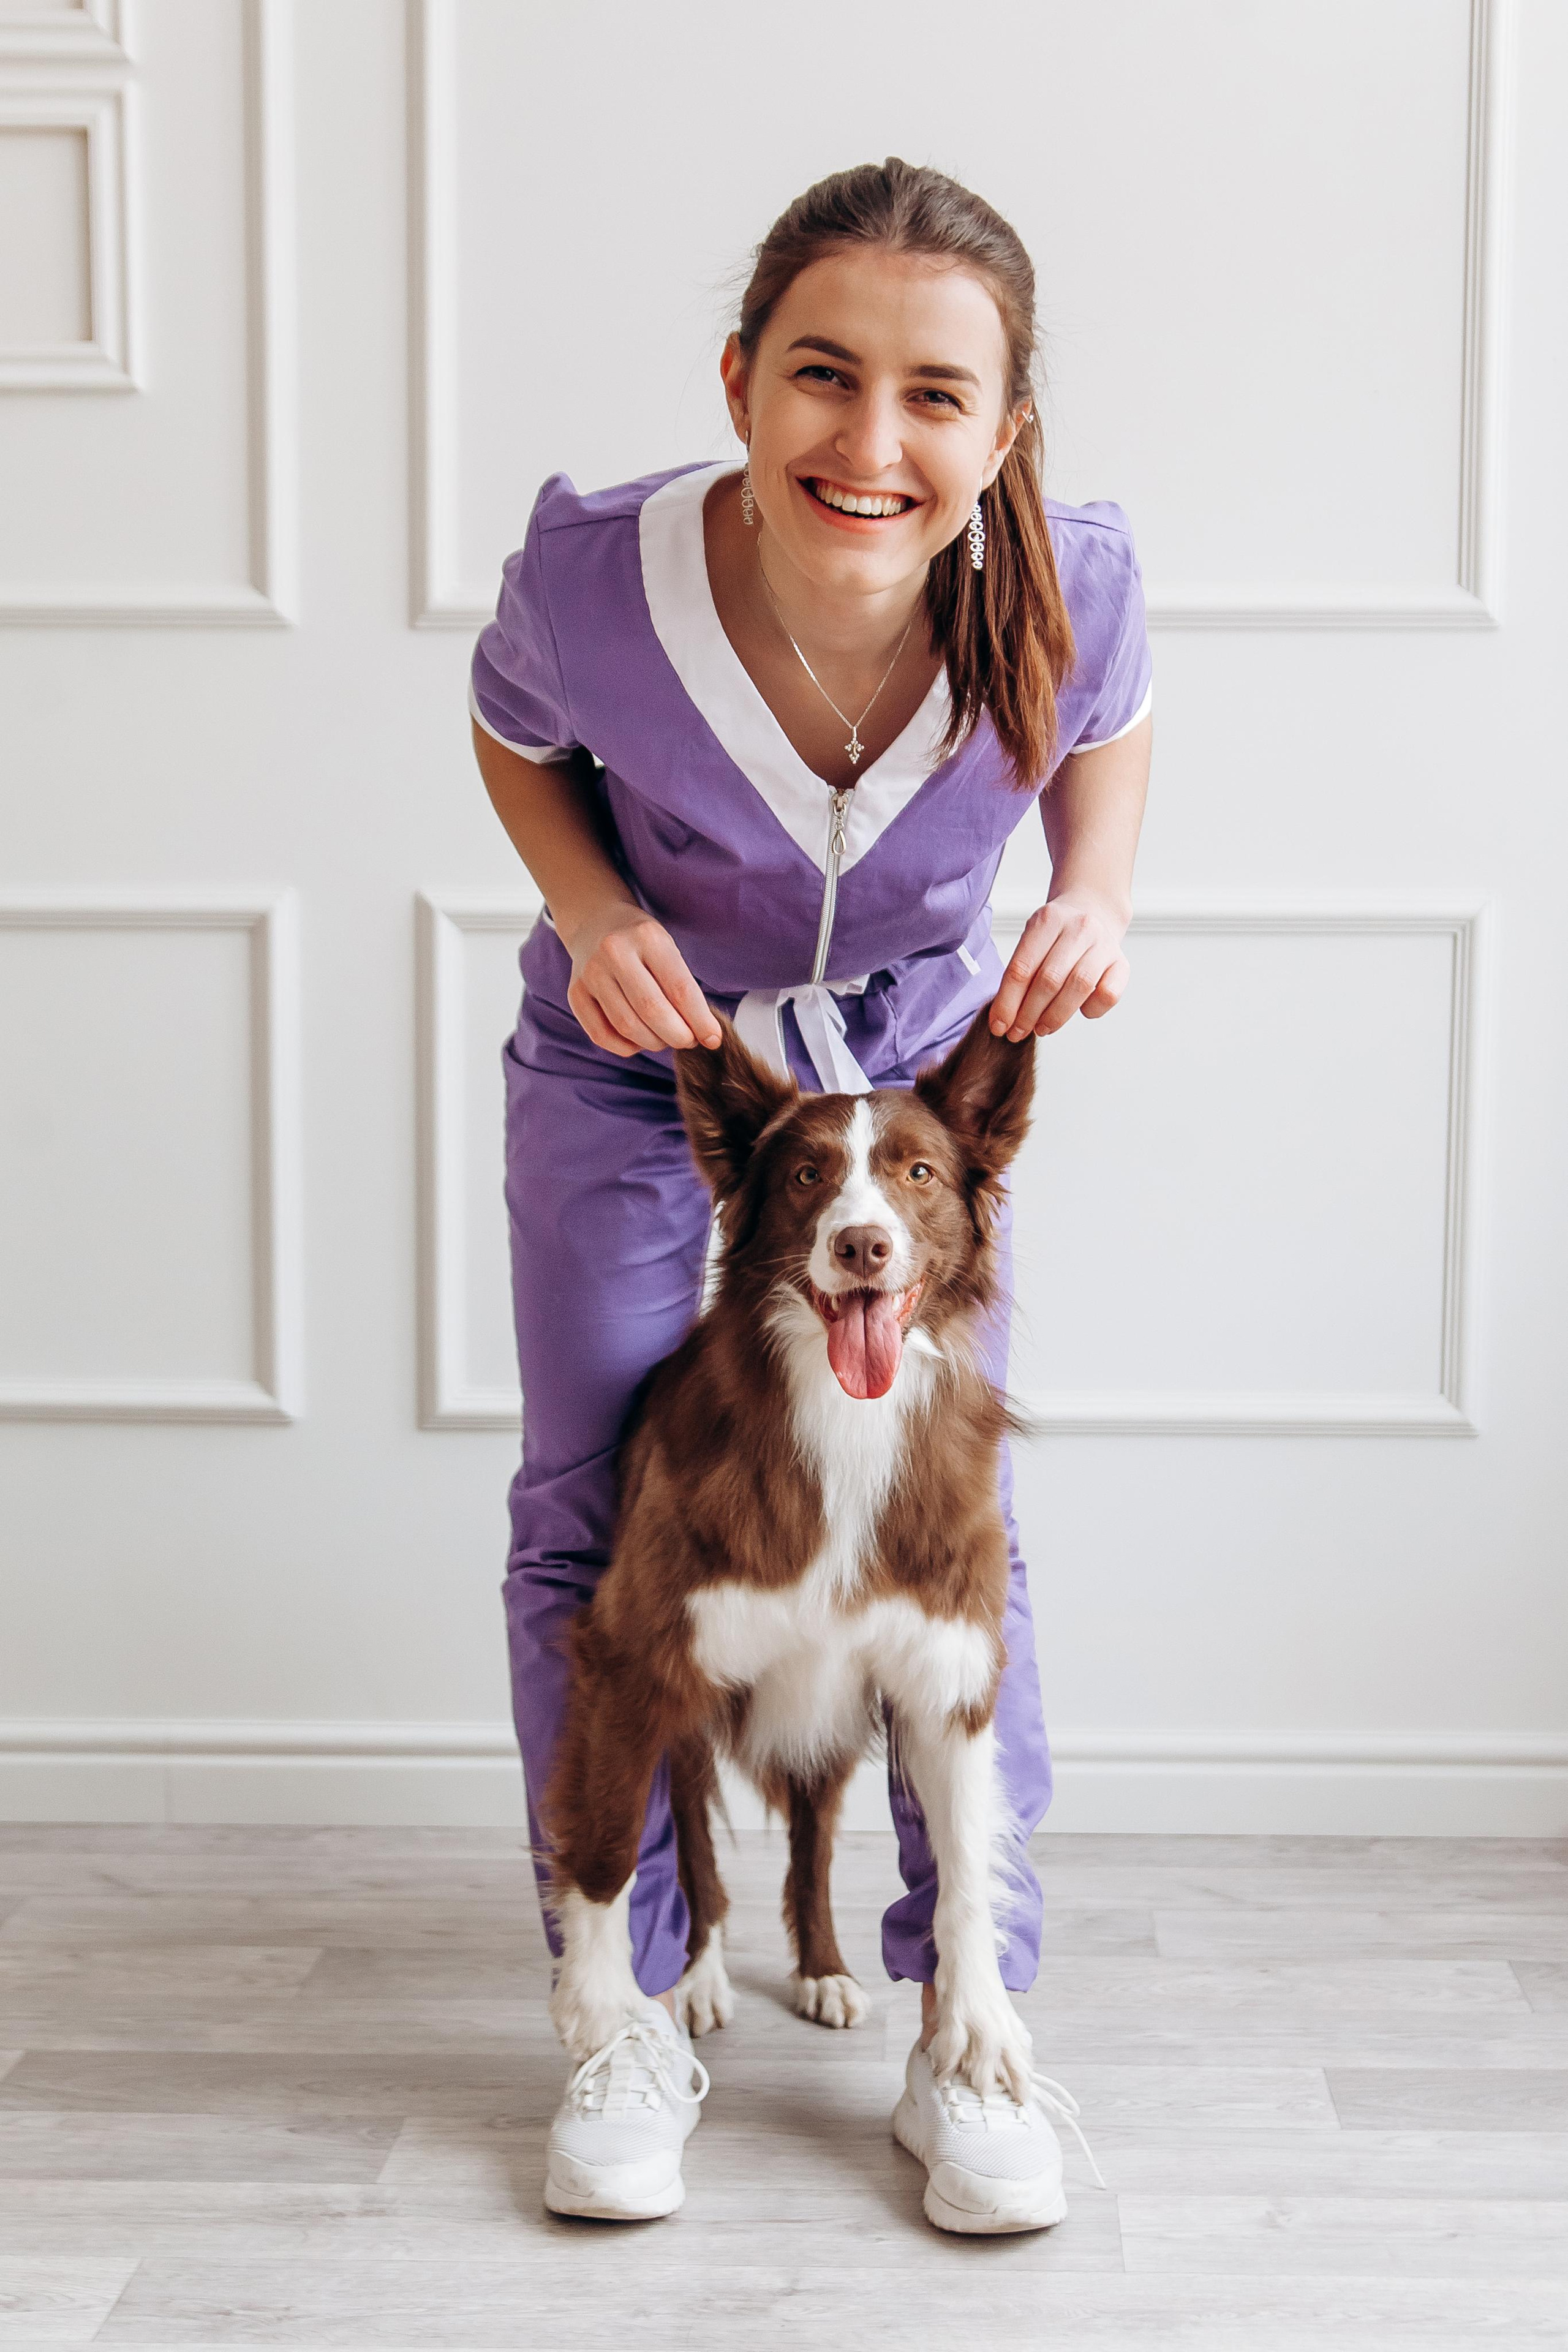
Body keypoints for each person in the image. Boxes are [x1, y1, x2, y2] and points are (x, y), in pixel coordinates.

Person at [469, 157, 1153, 2232]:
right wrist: (593, 911)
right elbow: (512, 741)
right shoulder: (593, 580)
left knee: (955, 1526)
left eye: (937, 394)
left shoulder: (1075, 580)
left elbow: (1111, 730)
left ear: (1005, 432)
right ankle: (630, 2004)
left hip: (904, 1092)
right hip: (640, 1064)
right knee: (593, 1506)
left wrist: (1098, 889)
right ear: (741, 381)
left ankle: (971, 2029)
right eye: (824, 375)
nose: (873, 439)